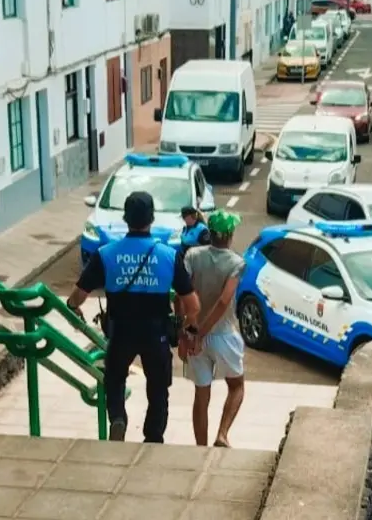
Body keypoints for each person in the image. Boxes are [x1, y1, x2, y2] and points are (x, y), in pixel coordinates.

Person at [67, 191, 201, 443]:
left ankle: (118, 418)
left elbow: (77, 295)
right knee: (159, 390)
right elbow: (192, 304)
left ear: (126, 219)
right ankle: (153, 437)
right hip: (156, 334)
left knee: (114, 379)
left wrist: (73, 308)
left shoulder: (106, 254)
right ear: (151, 219)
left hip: (120, 332)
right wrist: (188, 330)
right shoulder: (168, 255)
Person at [179, 209, 247, 448]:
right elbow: (223, 301)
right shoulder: (236, 263)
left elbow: (181, 295)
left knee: (201, 394)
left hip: (193, 332)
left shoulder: (192, 256)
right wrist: (202, 333)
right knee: (237, 385)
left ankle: (201, 448)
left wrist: (186, 333)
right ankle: (222, 434)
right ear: (229, 234)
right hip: (223, 335)